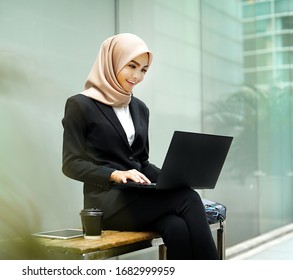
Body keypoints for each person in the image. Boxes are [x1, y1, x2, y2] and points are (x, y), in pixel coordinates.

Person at [61, 33, 218, 260]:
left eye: (144, 70)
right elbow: (71, 164)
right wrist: (114, 174)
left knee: (176, 227)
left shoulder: (139, 108)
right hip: (108, 204)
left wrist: (172, 178)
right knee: (189, 198)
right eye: (131, 66)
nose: (137, 76)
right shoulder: (80, 105)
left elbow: (141, 162)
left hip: (138, 199)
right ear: (112, 61)